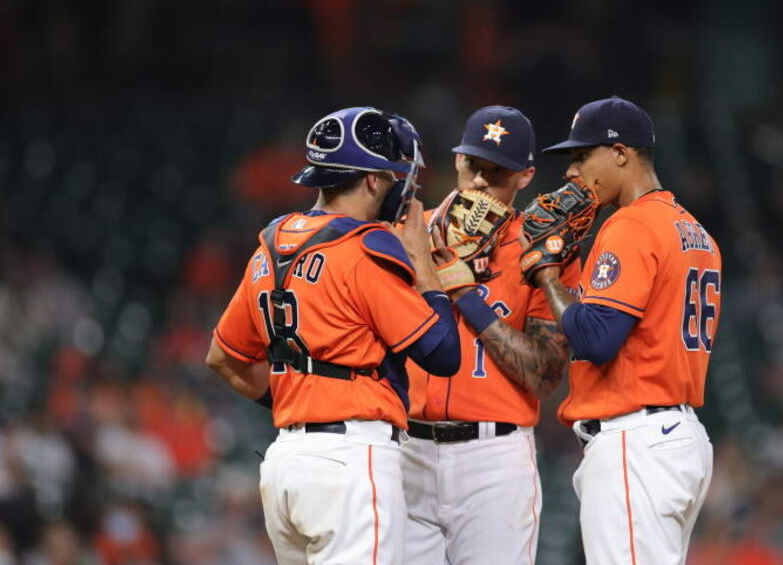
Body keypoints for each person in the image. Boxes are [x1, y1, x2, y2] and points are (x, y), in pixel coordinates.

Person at [205, 107, 462, 564]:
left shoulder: (269, 245)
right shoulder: (364, 248)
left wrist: (306, 399)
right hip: (350, 461)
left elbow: (222, 358)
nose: (401, 187)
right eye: (394, 176)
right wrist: (424, 267)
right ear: (372, 181)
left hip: (285, 463)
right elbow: (443, 355)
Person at [527, 96, 721, 564]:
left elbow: (597, 339)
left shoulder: (631, 225)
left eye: (582, 156)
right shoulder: (693, 230)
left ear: (620, 153)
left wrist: (548, 275)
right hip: (675, 437)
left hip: (637, 441)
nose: (572, 171)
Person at [402, 106, 579, 564]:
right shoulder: (409, 235)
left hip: (493, 459)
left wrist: (466, 296)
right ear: (457, 160)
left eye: (497, 172)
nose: (480, 182)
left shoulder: (543, 251)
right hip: (406, 451)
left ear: (525, 177)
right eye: (473, 165)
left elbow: (544, 374)